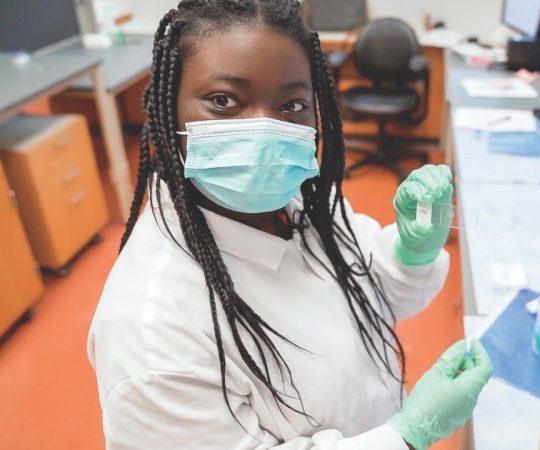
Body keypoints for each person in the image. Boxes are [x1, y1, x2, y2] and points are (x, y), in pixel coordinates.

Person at [87, 1, 493, 449]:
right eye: (224, 101)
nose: (265, 131)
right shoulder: (150, 328)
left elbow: (370, 293)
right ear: (167, 110)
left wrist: (410, 254)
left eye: (292, 104)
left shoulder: (299, 199)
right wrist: (405, 436)